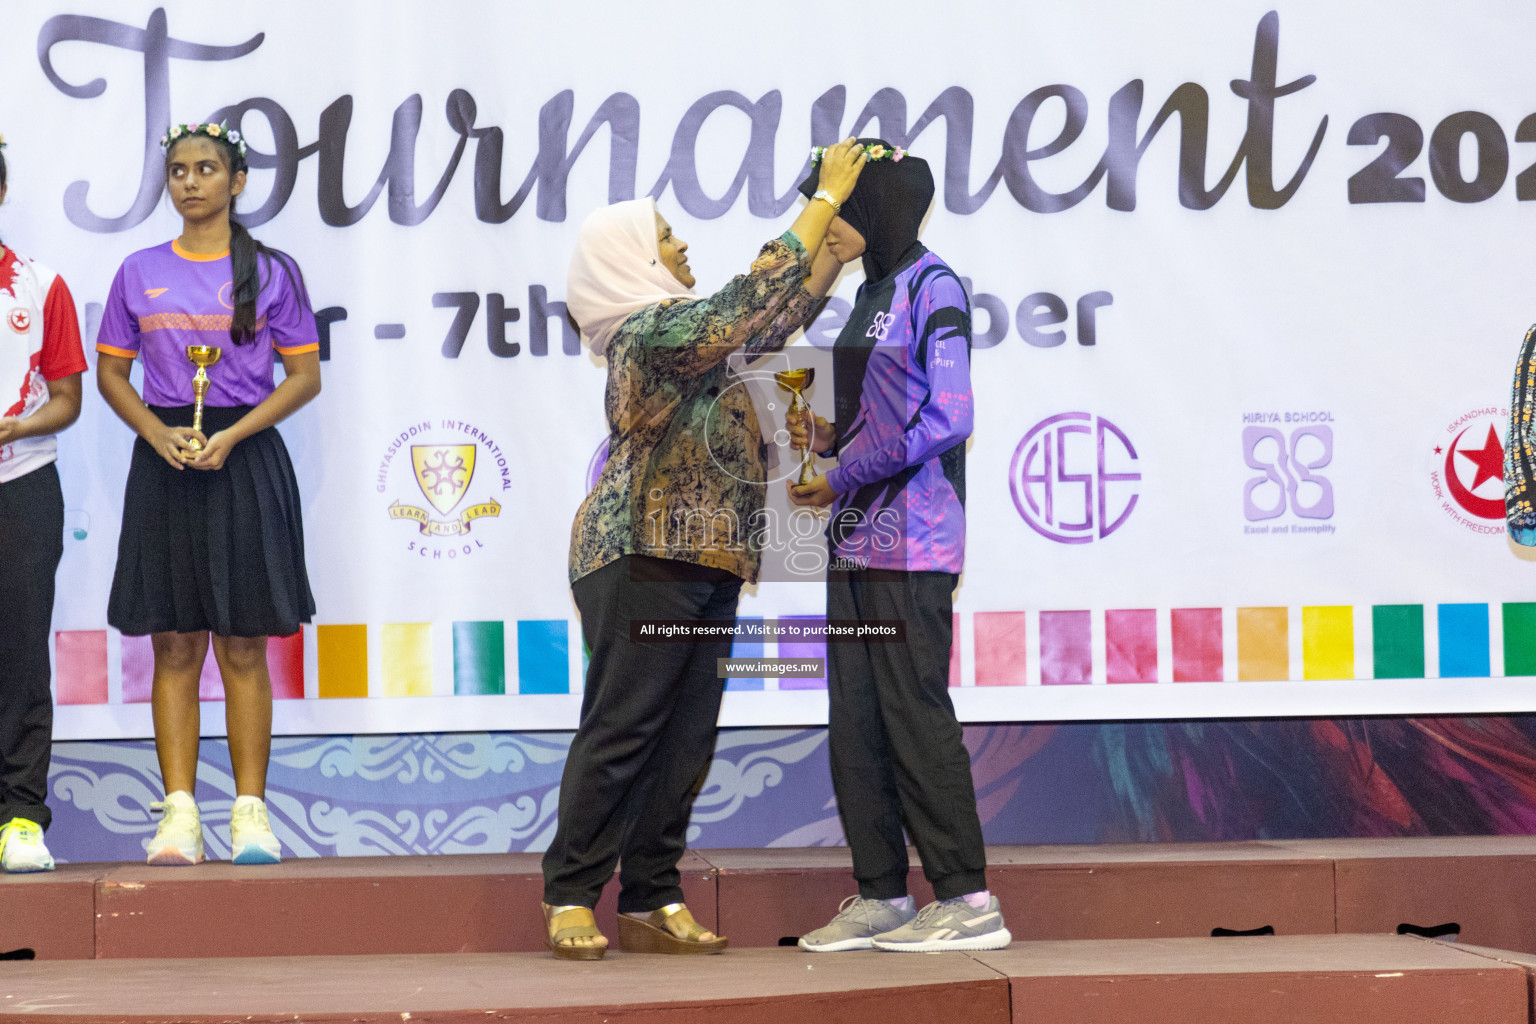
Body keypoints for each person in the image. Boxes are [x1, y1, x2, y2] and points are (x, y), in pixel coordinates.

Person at [540, 139, 868, 959]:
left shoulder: (690, 339)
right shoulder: (648, 333)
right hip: (642, 553)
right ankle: (572, 893)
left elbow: (767, 323)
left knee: (686, 742)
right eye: (666, 235)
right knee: (624, 729)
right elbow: (739, 311)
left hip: (712, 558)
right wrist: (821, 200)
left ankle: (651, 896)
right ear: (630, 259)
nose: (682, 246)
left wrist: (828, 259)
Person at [787, 139, 1009, 952]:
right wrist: (824, 434)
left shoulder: (932, 285)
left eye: (837, 208)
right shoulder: (865, 293)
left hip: (913, 543)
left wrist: (844, 472)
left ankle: (968, 896)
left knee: (915, 716)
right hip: (852, 544)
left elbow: (949, 417)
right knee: (856, 722)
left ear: (876, 207)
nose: (826, 226)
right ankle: (881, 892)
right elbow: (877, 413)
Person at [96, 121, 321, 866]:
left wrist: (233, 436)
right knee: (174, 642)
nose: (190, 182)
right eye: (179, 170)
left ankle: (250, 813)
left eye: (206, 169)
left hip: (243, 457)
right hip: (165, 459)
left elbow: (304, 377)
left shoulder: (275, 272)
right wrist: (157, 435)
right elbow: (110, 376)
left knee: (245, 643)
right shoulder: (137, 270)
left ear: (238, 181)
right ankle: (180, 813)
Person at [0, 136, 87, 873]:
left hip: (21, 483)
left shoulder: (40, 285)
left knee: (20, 649)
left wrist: (19, 425)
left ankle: (21, 816)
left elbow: (67, 400)